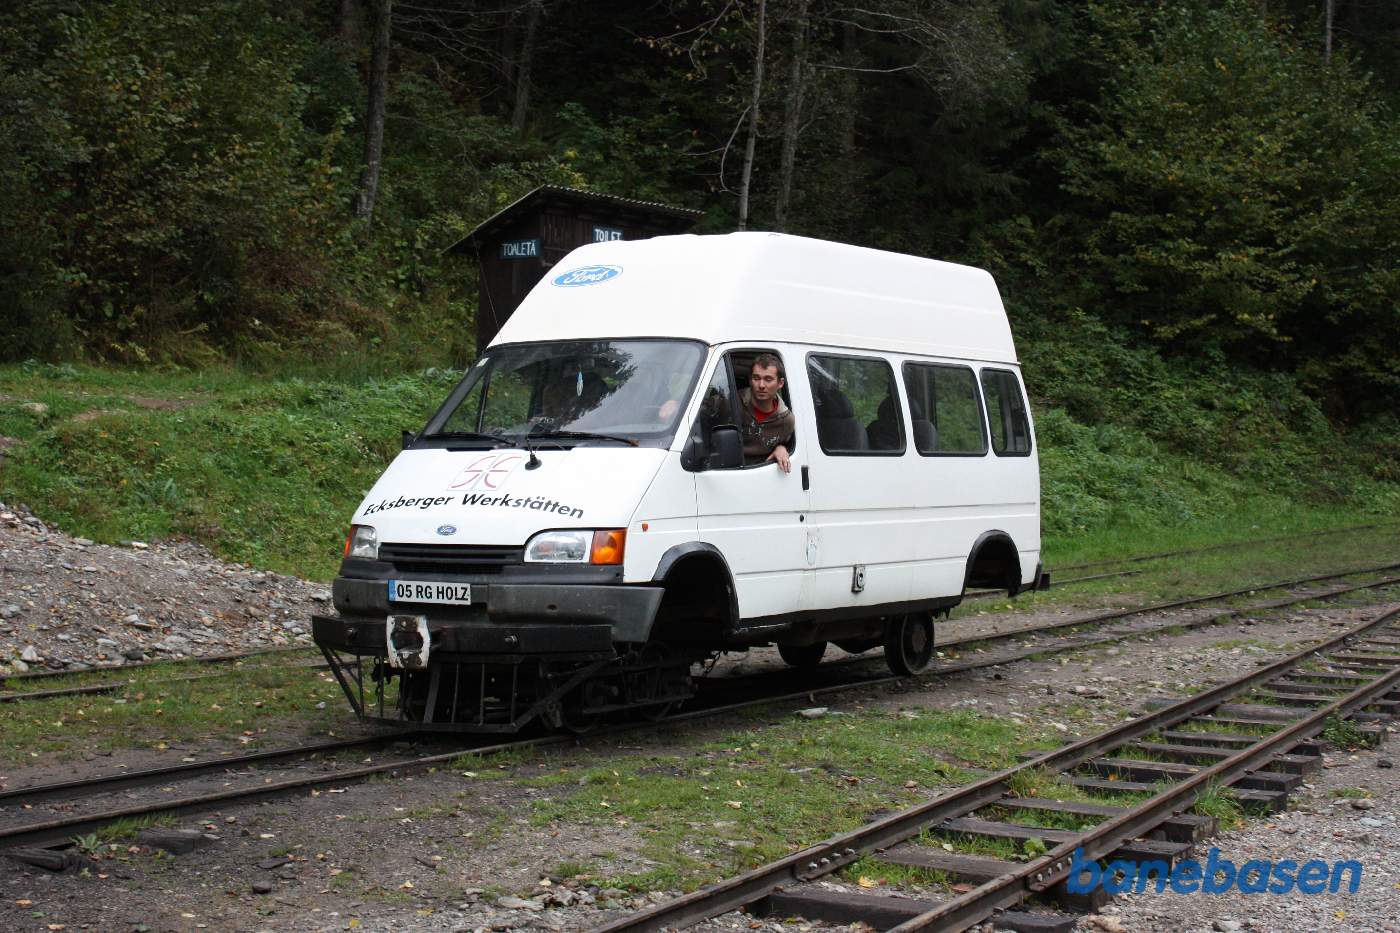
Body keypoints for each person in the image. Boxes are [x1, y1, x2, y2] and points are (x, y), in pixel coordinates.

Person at [739, 354, 794, 472]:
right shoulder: (731, 401)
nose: (761, 385)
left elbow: (791, 447)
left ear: (780, 383)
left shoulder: (786, 420)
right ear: (750, 380)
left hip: (764, 473)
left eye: (768, 379)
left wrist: (781, 447)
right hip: (727, 470)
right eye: (756, 378)